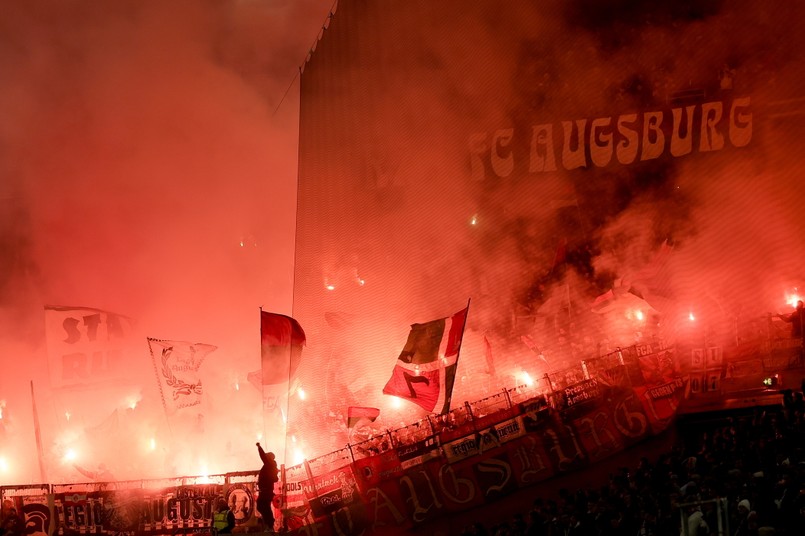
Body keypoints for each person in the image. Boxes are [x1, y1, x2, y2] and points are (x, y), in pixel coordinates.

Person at [256, 442, 279, 531]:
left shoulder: (269, 464)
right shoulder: (272, 466)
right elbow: (275, 479)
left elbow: (262, 456)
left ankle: (270, 524)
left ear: (269, 458)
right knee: (264, 507)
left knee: (262, 506)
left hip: (266, 491)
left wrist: (259, 447)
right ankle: (269, 524)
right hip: (266, 491)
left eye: (267, 456)